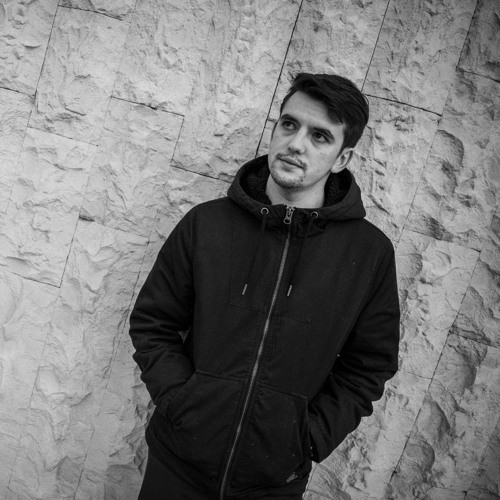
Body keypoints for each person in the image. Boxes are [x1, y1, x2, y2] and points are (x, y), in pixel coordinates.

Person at [129, 73, 400, 500]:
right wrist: (181, 401)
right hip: (177, 464)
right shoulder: (207, 224)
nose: (296, 144)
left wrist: (309, 439)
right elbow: (153, 322)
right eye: (289, 125)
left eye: (319, 136)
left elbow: (369, 365)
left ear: (343, 158)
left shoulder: (369, 254)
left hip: (273, 484)